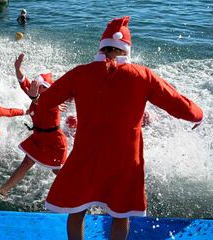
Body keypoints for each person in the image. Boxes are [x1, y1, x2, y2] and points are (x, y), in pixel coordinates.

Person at [28, 16, 203, 240]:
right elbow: (175, 102)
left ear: (102, 46)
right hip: (125, 158)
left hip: (87, 154)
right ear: (127, 49)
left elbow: (46, 101)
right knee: (121, 214)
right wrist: (197, 115)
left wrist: (36, 97)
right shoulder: (143, 75)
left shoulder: (80, 73)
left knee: (77, 208)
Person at [0, 53, 68, 196]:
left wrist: (34, 96)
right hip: (38, 138)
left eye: (44, 87)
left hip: (54, 142)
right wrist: (17, 68)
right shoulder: (35, 94)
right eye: (39, 87)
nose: (40, 89)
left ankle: (82, 192)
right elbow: (23, 81)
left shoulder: (53, 101)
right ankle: (4, 190)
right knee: (26, 163)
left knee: (57, 170)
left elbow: (42, 103)